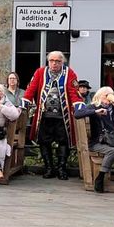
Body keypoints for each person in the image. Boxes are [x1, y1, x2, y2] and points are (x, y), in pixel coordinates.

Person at [23, 50, 78, 180]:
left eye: (58, 61)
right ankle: (49, 168)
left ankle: (61, 169)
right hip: (44, 116)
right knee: (44, 142)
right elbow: (31, 89)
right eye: (52, 61)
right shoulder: (40, 72)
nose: (54, 64)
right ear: (48, 62)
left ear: (62, 62)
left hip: (62, 117)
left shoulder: (69, 73)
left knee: (64, 142)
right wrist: (24, 102)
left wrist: (78, 104)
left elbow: (74, 92)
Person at [74, 86, 114, 192]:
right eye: (107, 95)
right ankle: (100, 178)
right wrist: (95, 112)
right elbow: (77, 114)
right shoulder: (94, 106)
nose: (109, 97)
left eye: (111, 94)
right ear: (100, 96)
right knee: (112, 151)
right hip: (99, 142)